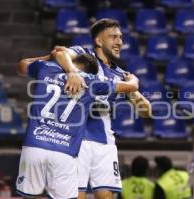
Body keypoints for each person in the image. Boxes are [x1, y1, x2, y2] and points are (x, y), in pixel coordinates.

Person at [15, 53, 140, 199]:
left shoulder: (46, 68)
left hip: (34, 145)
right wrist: (132, 77)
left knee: (29, 196)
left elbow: (22, 65)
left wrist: (49, 57)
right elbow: (132, 86)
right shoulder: (92, 82)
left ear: (71, 62)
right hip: (64, 152)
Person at [52, 18, 151, 199]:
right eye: (113, 37)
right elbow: (60, 54)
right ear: (99, 41)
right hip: (76, 139)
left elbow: (146, 111)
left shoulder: (121, 74)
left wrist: (133, 87)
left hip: (105, 142)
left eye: (120, 37)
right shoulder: (84, 56)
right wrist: (72, 72)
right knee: (76, 196)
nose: (119, 42)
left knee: (106, 196)